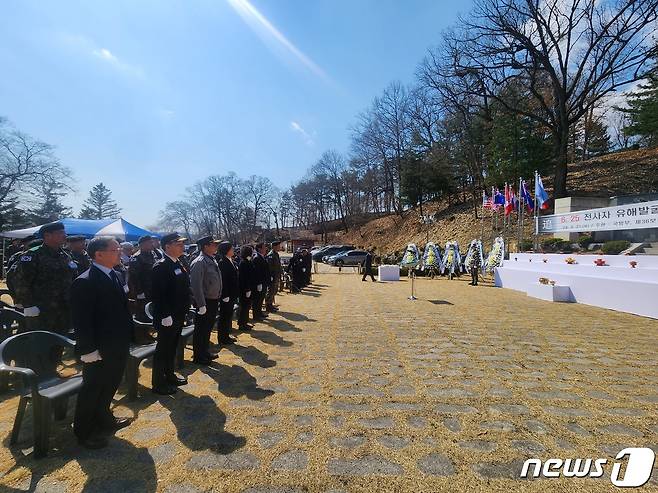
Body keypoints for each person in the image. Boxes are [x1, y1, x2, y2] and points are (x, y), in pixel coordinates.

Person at [71, 237, 134, 449]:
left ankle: (104, 418)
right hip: (98, 347)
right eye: (115, 250)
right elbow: (82, 320)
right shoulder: (85, 281)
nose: (120, 253)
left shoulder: (114, 274)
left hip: (117, 342)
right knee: (92, 387)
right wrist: (88, 350)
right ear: (99, 254)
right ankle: (85, 431)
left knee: (110, 384)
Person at [12, 221, 77, 334]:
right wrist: (29, 305)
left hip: (63, 310)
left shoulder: (65, 255)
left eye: (64, 232)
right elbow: (21, 281)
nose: (65, 235)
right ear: (47, 235)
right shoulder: (33, 255)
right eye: (60, 233)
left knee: (58, 344)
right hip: (40, 310)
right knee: (39, 345)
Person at [151, 233, 191, 395]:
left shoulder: (177, 263)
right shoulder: (161, 266)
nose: (182, 246)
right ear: (167, 246)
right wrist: (165, 315)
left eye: (182, 244)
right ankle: (158, 383)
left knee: (172, 346)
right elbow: (158, 294)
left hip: (178, 313)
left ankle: (169, 375)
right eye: (178, 244)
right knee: (163, 349)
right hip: (167, 316)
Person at [189, 235, 221, 365]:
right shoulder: (199, 262)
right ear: (205, 246)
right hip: (205, 301)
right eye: (213, 244)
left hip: (212, 300)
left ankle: (205, 351)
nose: (216, 246)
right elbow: (196, 285)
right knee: (201, 329)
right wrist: (201, 304)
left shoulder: (210, 259)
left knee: (207, 328)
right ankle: (198, 356)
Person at [128, 235, 157, 324]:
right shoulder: (136, 257)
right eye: (150, 242)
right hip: (143, 291)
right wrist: (140, 293)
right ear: (142, 244)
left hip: (153, 289)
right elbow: (134, 277)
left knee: (153, 311)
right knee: (143, 313)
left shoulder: (153, 255)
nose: (152, 244)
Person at [216, 241, 238, 345]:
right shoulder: (222, 262)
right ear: (226, 250)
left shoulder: (230, 260)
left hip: (232, 293)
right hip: (227, 295)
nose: (233, 250)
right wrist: (225, 295)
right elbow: (223, 280)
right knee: (224, 317)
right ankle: (222, 338)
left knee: (228, 316)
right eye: (231, 248)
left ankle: (226, 335)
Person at [237, 245, 255, 331]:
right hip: (244, 289)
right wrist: (247, 289)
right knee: (243, 306)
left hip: (249, 287)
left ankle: (245, 322)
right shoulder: (243, 263)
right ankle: (241, 324)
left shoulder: (248, 261)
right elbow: (244, 278)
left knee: (247, 306)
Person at [251, 242, 269, 321]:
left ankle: (259, 312)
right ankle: (256, 315)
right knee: (257, 299)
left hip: (263, 282)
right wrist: (259, 283)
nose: (266, 249)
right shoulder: (257, 258)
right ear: (259, 249)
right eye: (264, 247)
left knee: (261, 298)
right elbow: (257, 272)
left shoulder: (261, 256)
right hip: (259, 282)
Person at [265, 241, 282, 312]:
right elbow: (269, 267)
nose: (280, 247)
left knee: (274, 291)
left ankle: (270, 304)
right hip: (273, 276)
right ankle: (268, 306)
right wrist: (271, 277)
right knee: (271, 291)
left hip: (276, 275)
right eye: (278, 246)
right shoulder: (271, 255)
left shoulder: (276, 254)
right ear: (274, 246)